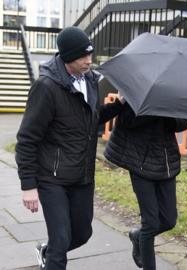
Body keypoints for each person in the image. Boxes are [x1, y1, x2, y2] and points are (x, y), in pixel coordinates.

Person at [15, 26, 124, 270]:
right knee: (61, 240)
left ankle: (48, 251)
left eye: (90, 54)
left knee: (82, 233)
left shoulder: (91, 80)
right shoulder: (46, 87)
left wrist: (120, 104)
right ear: (66, 58)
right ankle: (53, 257)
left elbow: (91, 119)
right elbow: (27, 139)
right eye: (81, 57)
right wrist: (28, 186)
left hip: (82, 175)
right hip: (52, 178)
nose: (88, 61)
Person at [104, 102, 187, 269]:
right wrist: (152, 110)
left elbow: (184, 122)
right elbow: (126, 121)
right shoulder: (138, 92)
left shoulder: (175, 94)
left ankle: (138, 236)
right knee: (150, 224)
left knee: (168, 221)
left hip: (165, 162)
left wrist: (168, 112)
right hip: (139, 162)